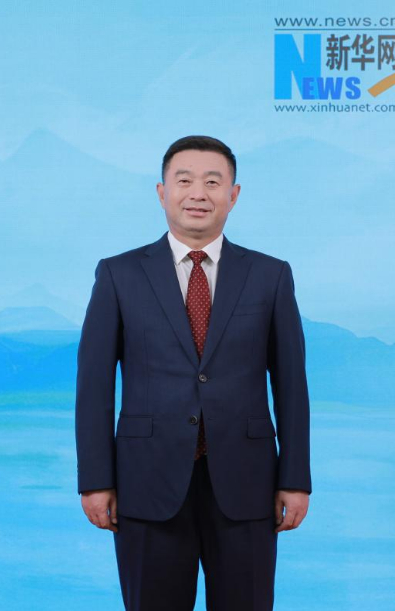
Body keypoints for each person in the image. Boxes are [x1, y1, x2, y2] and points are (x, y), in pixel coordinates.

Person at [75, 135, 312, 610]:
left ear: (233, 195)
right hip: (146, 480)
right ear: (162, 192)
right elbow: (94, 385)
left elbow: (291, 385)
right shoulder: (119, 274)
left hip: (248, 483)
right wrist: (96, 479)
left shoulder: (270, 275)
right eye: (184, 181)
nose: (198, 194)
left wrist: (295, 477)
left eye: (213, 182)